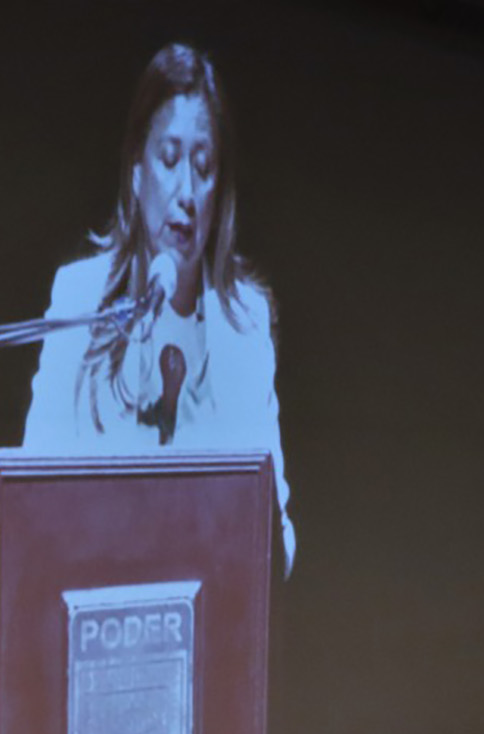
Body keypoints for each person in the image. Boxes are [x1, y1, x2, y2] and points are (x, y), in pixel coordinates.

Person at [20, 42, 295, 574]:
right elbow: (30, 501)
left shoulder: (246, 326)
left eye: (204, 166)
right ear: (137, 172)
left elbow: (278, 544)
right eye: (169, 160)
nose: (186, 191)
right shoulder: (80, 302)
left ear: (222, 193)